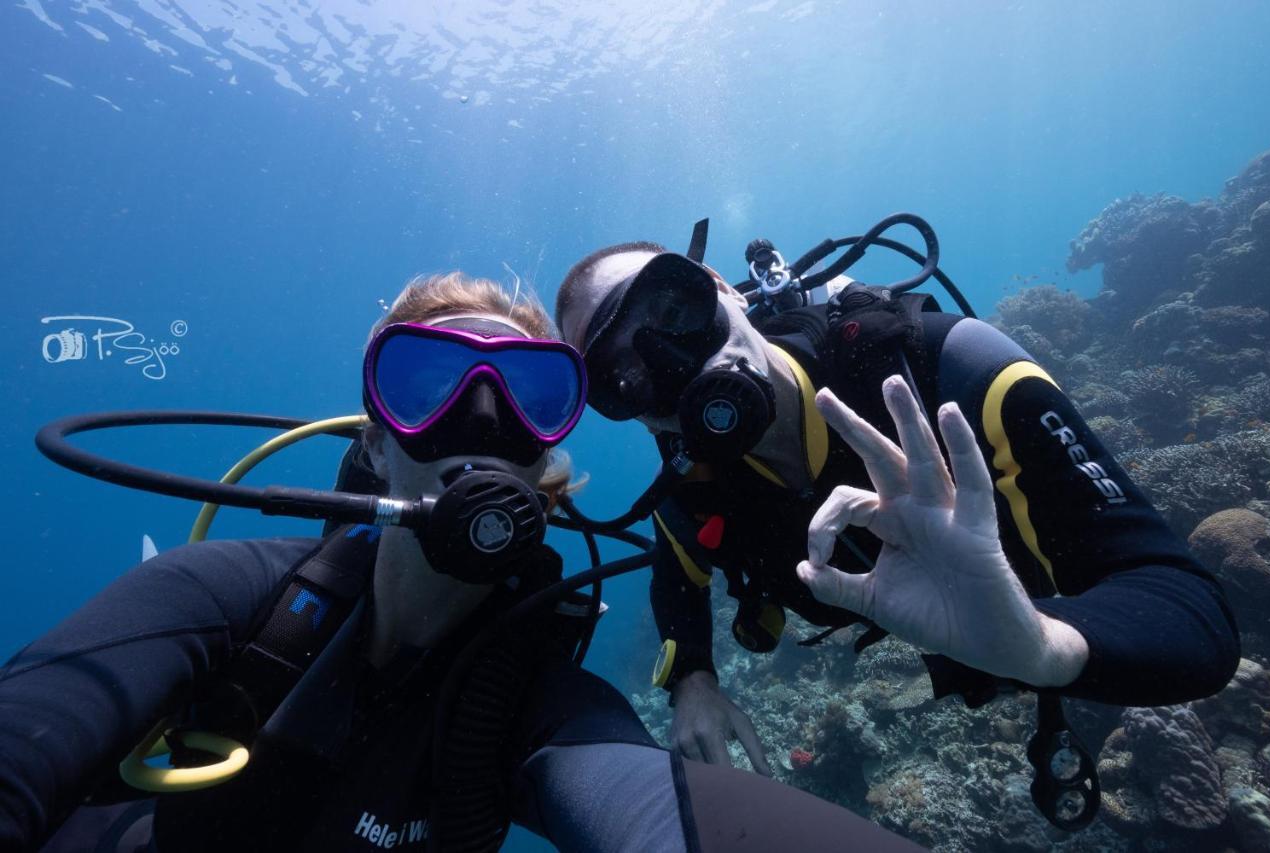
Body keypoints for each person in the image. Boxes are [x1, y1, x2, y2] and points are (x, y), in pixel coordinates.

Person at [1, 273, 924, 852]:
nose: (481, 421)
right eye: (425, 382)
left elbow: (656, 809)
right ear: (374, 439)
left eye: (528, 392)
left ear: (548, 458)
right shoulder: (224, 593)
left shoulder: (535, 699)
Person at [555, 240, 1241, 778]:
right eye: (624, 374)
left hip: (1046, 609)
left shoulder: (954, 371)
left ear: (728, 292)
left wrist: (1039, 643)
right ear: (629, 416)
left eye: (675, 311)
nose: (674, 363)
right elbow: (677, 579)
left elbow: (1192, 612)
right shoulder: (693, 488)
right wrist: (691, 679)